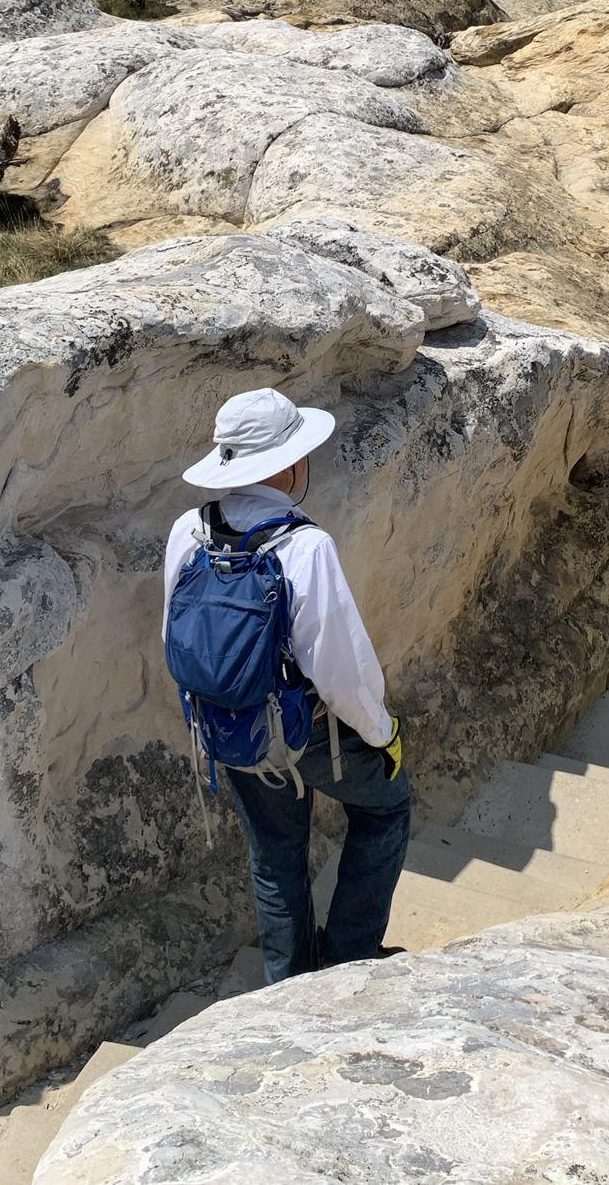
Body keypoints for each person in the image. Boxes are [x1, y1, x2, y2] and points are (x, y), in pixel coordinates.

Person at [164, 387, 411, 983]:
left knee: (274, 857)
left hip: (232, 730)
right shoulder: (305, 545)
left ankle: (290, 986)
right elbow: (339, 665)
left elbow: (175, 635)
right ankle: (350, 955)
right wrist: (381, 734)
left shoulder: (187, 531)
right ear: (288, 462)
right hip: (308, 732)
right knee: (386, 810)